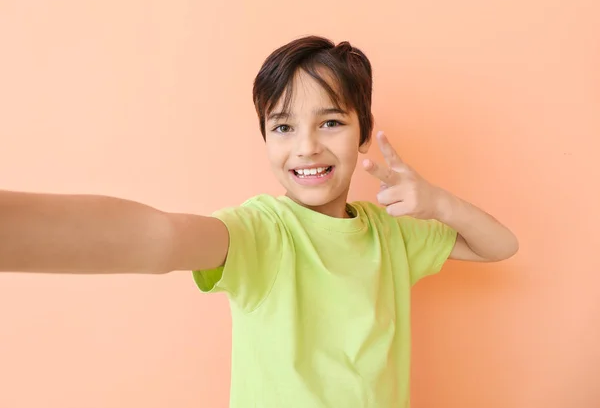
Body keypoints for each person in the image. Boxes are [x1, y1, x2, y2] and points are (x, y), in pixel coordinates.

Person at [0, 35, 518, 407]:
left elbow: (501, 245)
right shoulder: (264, 231)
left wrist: (437, 202)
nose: (307, 146)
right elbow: (161, 238)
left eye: (331, 122)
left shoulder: (392, 235)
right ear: (266, 138)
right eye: (284, 126)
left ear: (364, 132)